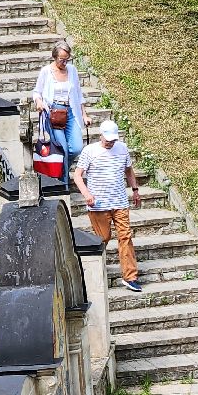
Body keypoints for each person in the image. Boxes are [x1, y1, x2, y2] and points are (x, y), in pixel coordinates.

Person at [72, 119, 144, 292]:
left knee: (125, 236)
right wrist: (87, 194)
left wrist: (135, 190)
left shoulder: (122, 148)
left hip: (119, 202)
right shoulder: (90, 151)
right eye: (108, 139)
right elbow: (77, 176)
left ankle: (130, 276)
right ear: (101, 135)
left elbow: (128, 170)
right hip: (98, 205)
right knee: (103, 238)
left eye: (113, 139)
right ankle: (92, 268)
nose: (111, 142)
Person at [32, 41, 85, 168]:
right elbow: (36, 92)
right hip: (54, 113)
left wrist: (84, 114)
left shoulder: (72, 70)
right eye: (62, 60)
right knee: (62, 150)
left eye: (68, 59)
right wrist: (39, 102)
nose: (65, 63)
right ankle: (63, 185)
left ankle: (60, 172)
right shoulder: (46, 71)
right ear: (55, 57)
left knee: (77, 148)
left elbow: (78, 94)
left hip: (71, 112)